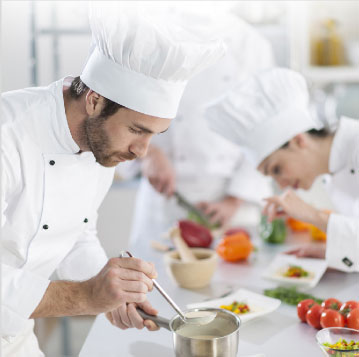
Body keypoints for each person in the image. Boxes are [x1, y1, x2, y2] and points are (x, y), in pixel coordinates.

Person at [1, 3, 225, 356]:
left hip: (13, 334)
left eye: (155, 135)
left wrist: (114, 295)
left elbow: (77, 234)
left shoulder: (100, 145)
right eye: (137, 130)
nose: (142, 151)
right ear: (94, 100)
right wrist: (86, 296)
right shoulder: (7, 136)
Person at [128, 10, 274, 244]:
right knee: (150, 275)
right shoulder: (148, 34)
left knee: (235, 276)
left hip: (231, 203)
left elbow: (264, 129)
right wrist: (149, 153)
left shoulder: (252, 44)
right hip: (164, 195)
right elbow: (123, 108)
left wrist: (235, 199)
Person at [206, 67, 359, 273]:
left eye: (276, 169)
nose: (281, 184)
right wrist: (332, 252)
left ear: (298, 140)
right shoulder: (335, 170)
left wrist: (313, 216)